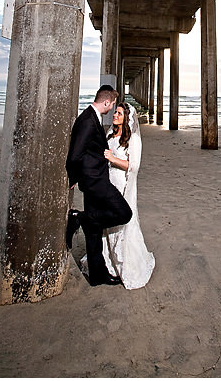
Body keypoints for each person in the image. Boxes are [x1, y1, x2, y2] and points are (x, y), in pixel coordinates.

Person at [82, 102, 155, 289]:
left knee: (121, 219)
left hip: (122, 183)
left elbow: (134, 166)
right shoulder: (110, 134)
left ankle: (121, 263)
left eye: (119, 114)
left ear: (127, 118)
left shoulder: (133, 139)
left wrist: (112, 158)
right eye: (115, 112)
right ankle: (106, 263)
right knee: (106, 219)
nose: (115, 115)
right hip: (107, 183)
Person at [65, 85, 132, 286]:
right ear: (106, 102)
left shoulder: (91, 116)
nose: (112, 108)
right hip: (95, 181)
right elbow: (75, 154)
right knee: (123, 213)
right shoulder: (87, 120)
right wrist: (74, 178)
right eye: (112, 104)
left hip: (94, 179)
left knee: (94, 231)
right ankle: (79, 217)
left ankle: (97, 274)